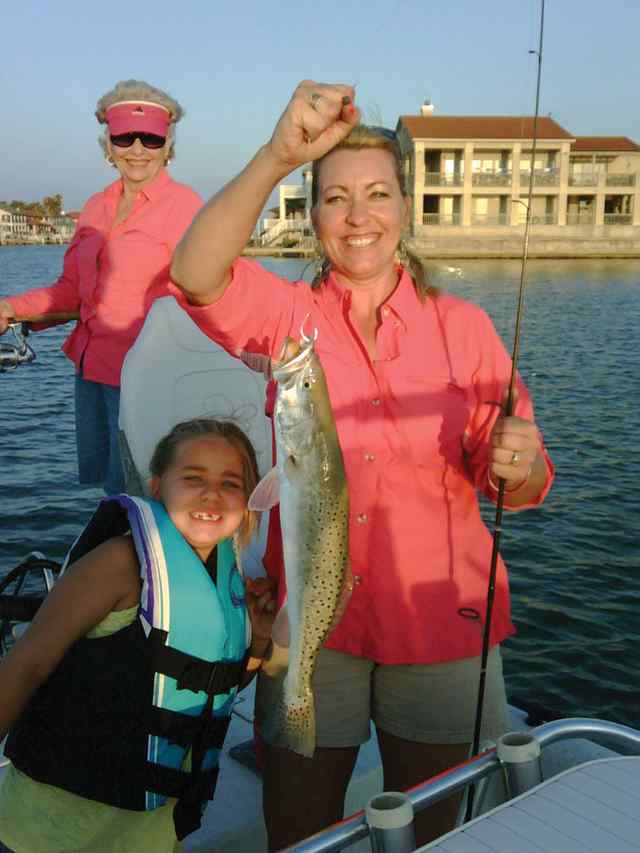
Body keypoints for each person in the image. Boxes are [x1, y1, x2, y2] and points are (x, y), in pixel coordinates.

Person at [169, 81, 555, 848]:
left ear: (406, 206)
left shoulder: (466, 327)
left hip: (441, 621)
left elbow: (522, 481)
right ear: (313, 214)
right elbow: (195, 273)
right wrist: (278, 154)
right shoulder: (289, 321)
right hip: (316, 623)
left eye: (378, 193)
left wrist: (523, 462)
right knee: (298, 830)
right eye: (335, 197)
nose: (358, 216)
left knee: (433, 830)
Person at [0, 418, 275, 853]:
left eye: (230, 484)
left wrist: (257, 642)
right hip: (53, 828)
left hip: (151, 831)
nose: (212, 494)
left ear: (249, 501)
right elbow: (27, 664)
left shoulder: (228, 577)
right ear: (157, 486)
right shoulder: (119, 563)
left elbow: (208, 690)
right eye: (193, 478)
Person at [0, 80, 203, 494]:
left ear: (168, 144)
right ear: (108, 145)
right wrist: (9, 308)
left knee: (147, 492)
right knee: (115, 494)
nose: (137, 149)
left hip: (150, 380)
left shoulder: (187, 207)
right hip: (91, 374)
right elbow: (73, 291)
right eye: (125, 137)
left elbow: (213, 295)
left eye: (150, 138)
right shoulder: (95, 207)